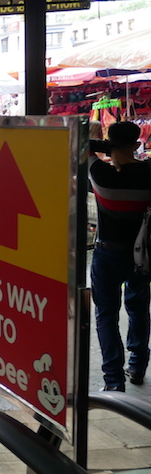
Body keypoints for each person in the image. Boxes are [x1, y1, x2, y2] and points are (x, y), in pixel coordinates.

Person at [89, 121, 151, 391]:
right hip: (143, 256)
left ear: (110, 145)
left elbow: (81, 146)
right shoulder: (149, 173)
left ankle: (113, 381)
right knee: (138, 309)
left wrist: (104, 147)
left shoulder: (100, 175)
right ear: (137, 145)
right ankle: (137, 365)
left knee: (106, 315)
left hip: (106, 255)